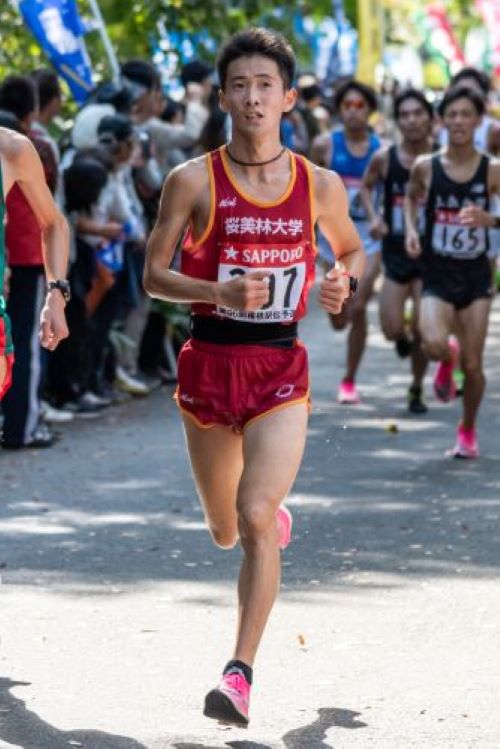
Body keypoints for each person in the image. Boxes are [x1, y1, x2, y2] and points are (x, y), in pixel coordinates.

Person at [144, 27, 365, 727]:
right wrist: (215, 293)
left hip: (278, 366)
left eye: (265, 85)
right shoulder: (191, 180)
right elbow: (153, 274)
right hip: (208, 365)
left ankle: (238, 674)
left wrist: (341, 284)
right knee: (222, 530)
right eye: (239, 85)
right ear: (222, 97)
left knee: (255, 516)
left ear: (289, 98)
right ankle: (259, 514)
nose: (252, 97)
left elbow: (352, 250)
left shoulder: (318, 184)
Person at [404, 85, 500, 458]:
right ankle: (448, 356)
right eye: (453, 115)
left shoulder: (491, 170)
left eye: (466, 115)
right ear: (442, 121)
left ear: (478, 121)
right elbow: (411, 200)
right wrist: (412, 230)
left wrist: (490, 219)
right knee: (430, 342)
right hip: (438, 273)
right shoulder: (426, 167)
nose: (459, 121)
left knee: (475, 367)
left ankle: (468, 429)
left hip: (476, 277)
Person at [0, 76, 69, 448]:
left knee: (25, 353)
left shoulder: (14, 149)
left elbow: (55, 222)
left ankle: (20, 429)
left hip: (20, 274)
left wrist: (56, 294)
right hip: (20, 267)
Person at [360, 89, 435, 414]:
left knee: (422, 328)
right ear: (398, 120)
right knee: (392, 329)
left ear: (430, 119)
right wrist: (375, 217)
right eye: (404, 114)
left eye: (418, 113)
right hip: (394, 252)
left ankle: (417, 388)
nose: (412, 120)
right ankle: (404, 337)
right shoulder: (384, 158)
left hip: (431, 255)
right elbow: (366, 186)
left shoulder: (441, 158)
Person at [311, 80, 381, 404]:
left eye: (360, 106)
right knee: (341, 317)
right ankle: (344, 316)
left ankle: (350, 379)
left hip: (369, 240)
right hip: (332, 241)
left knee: (360, 302)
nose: (353, 112)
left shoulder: (382, 149)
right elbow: (307, 189)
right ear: (339, 110)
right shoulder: (326, 145)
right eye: (347, 106)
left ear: (369, 110)